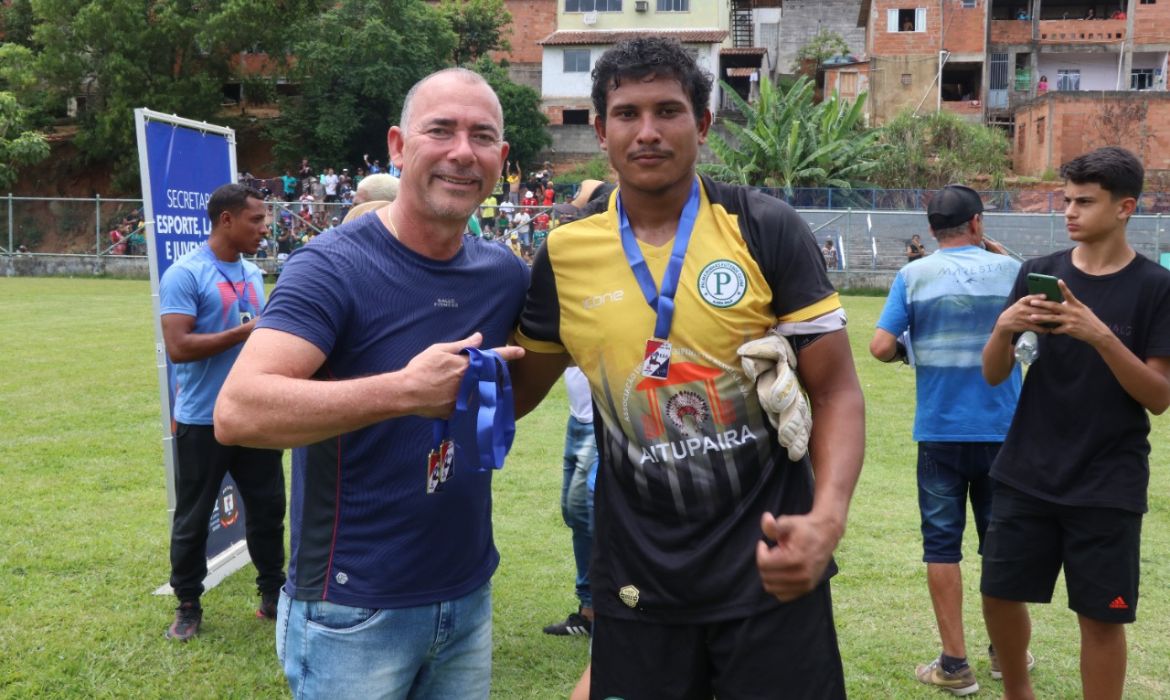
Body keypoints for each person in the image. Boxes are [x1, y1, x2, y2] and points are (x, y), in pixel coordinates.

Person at [509, 37, 864, 699]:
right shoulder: (564, 255)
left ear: (701, 124)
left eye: (667, 111)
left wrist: (827, 519)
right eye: (627, 113)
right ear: (601, 130)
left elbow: (837, 391)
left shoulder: (764, 227)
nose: (647, 131)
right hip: (639, 576)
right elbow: (517, 393)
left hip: (768, 565)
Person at [213, 68, 528, 699]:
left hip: (467, 591)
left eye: (481, 136)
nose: (462, 152)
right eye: (441, 130)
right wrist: (405, 391)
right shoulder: (332, 265)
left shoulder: (504, 274)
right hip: (350, 606)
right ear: (398, 146)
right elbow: (238, 411)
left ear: (501, 156)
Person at [980, 146, 1170, 700]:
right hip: (1026, 469)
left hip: (1107, 480)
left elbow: (1158, 397)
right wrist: (1004, 328)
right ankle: (1018, 692)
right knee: (998, 593)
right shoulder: (1039, 273)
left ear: (1125, 207)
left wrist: (1100, 335)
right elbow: (994, 374)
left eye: (1084, 202)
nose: (1068, 211)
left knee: (1102, 617)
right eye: (1066, 200)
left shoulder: (1155, 287)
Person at [870, 184, 1025, 696]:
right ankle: (1006, 654)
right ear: (978, 223)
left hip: (940, 432)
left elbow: (880, 346)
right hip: (1004, 433)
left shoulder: (914, 274)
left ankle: (955, 665)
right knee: (1000, 547)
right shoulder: (1012, 271)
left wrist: (909, 353)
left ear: (932, 229)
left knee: (942, 547)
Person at [158, 183, 286, 642]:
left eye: (265, 219)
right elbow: (178, 347)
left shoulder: (251, 272)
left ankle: (273, 595)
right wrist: (245, 333)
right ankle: (188, 604)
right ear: (226, 220)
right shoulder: (185, 274)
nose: (265, 228)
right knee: (193, 517)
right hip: (203, 418)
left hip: (254, 415)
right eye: (256, 219)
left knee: (268, 509)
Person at [543, 367, 599, 637]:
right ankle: (588, 611)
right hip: (577, 420)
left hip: (601, 422)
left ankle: (615, 605)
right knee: (573, 513)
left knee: (581, 508)